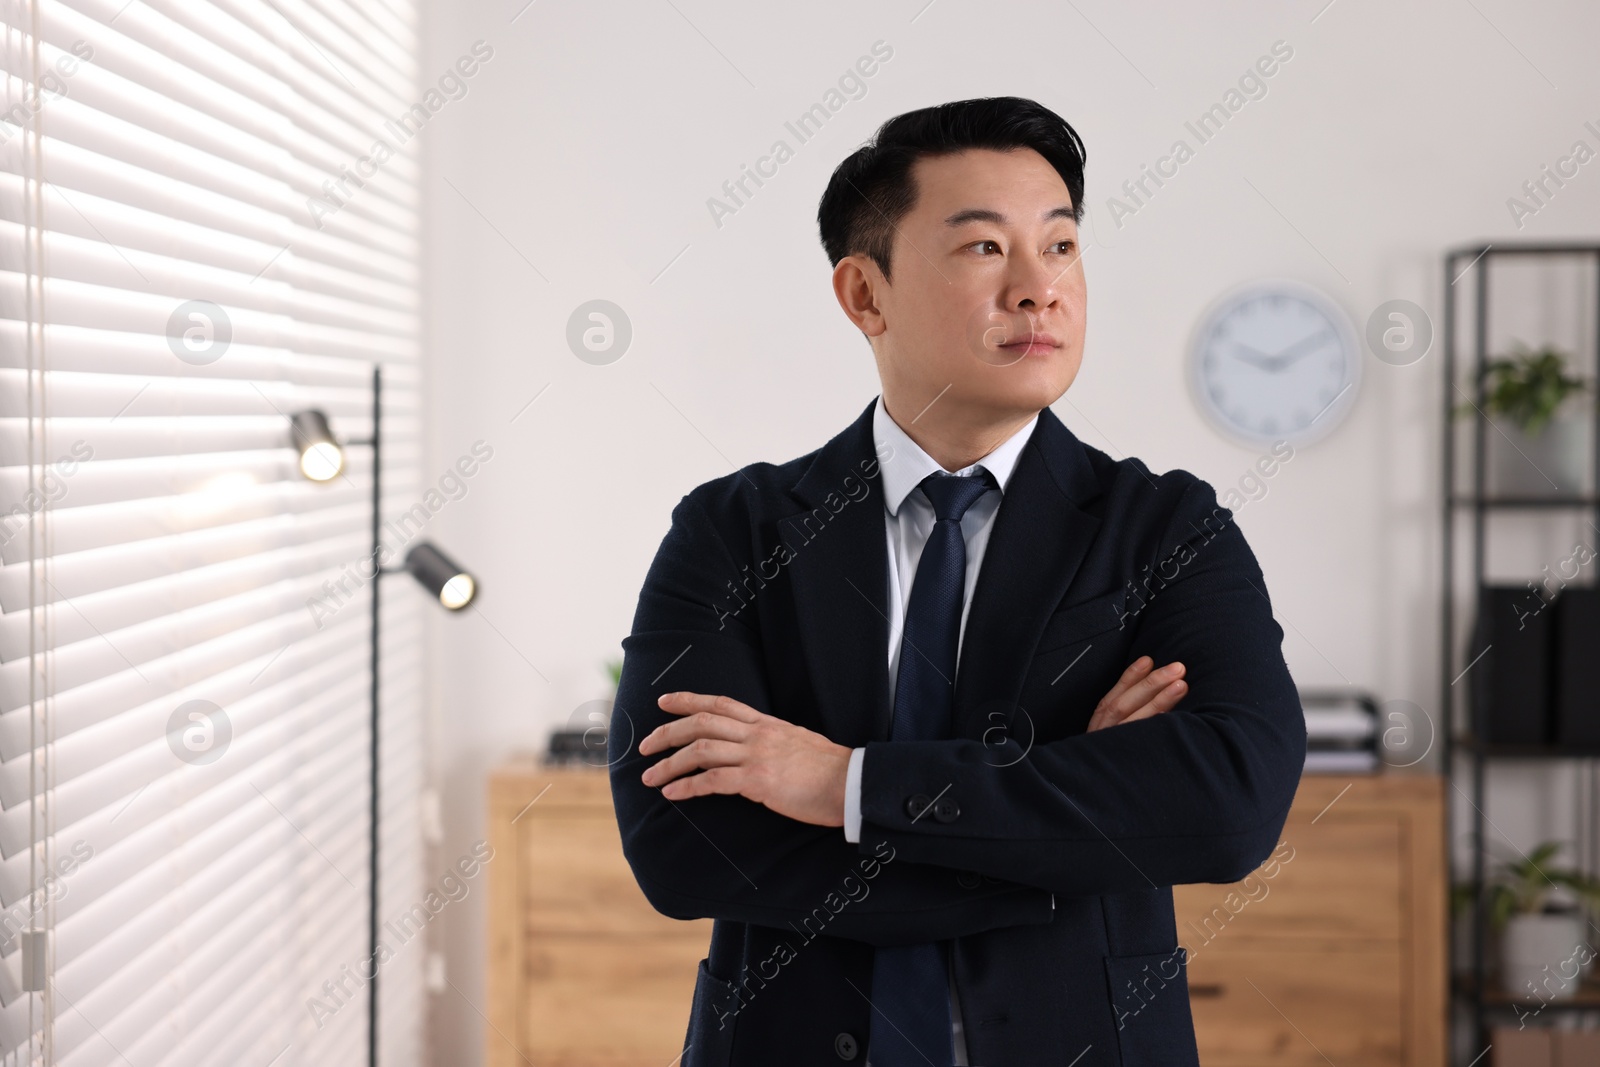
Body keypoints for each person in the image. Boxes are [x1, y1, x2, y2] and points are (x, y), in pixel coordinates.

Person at [608, 96, 1305, 1067]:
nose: (1038, 289)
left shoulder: (1166, 528)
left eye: (1060, 246)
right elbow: (683, 850)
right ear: (865, 294)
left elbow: (1228, 807)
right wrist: (1067, 839)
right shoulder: (732, 533)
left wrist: (839, 782)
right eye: (984, 249)